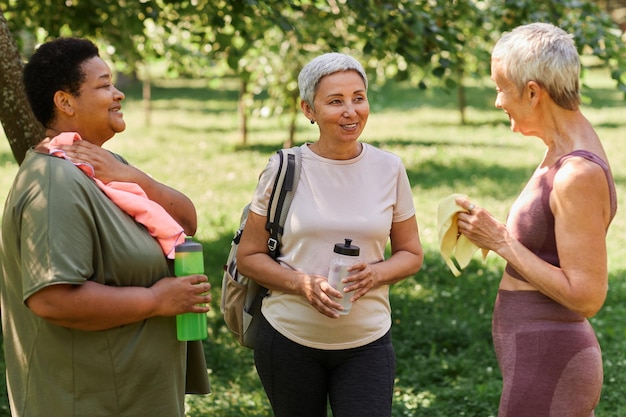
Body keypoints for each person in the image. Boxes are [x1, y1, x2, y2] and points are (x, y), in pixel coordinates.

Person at [0, 37, 211, 417]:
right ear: (64, 102)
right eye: (104, 85)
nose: (118, 95)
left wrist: (132, 176)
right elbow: (52, 298)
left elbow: (186, 221)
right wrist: (156, 301)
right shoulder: (54, 183)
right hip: (91, 402)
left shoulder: (100, 164)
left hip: (133, 396)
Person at [236, 52, 424, 417]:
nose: (351, 111)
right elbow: (249, 256)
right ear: (309, 110)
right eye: (335, 101)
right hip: (289, 339)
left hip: (367, 342)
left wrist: (377, 273)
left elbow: (412, 253)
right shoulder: (283, 168)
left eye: (358, 97)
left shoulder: (389, 168)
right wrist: (301, 283)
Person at [455, 23, 617, 417]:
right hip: (538, 356)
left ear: (532, 91)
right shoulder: (559, 150)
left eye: (501, 87)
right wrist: (487, 233)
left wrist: (501, 242)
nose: (497, 101)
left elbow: (588, 296)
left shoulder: (577, 173)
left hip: (550, 361)